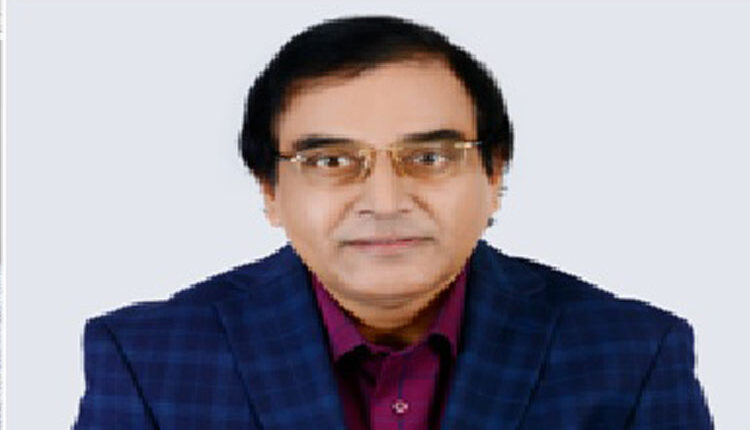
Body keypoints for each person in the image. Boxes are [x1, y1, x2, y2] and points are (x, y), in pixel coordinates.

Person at [72, 15, 713, 430]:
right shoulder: (149, 361)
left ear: (494, 174)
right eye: (330, 161)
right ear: (269, 190)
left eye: (429, 158)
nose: (384, 200)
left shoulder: (632, 356)